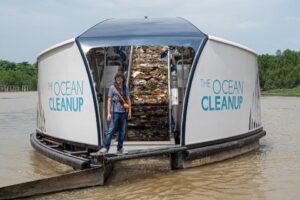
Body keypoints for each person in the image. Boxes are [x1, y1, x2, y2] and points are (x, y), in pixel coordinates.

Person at [99, 72, 131, 154]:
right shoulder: (112, 88)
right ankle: (106, 147)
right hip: (115, 112)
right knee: (111, 130)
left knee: (122, 131)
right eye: (117, 78)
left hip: (123, 112)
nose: (118, 80)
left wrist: (130, 111)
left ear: (123, 79)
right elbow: (109, 100)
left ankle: (120, 148)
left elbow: (128, 99)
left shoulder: (125, 87)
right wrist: (108, 113)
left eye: (120, 78)